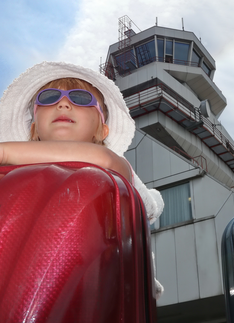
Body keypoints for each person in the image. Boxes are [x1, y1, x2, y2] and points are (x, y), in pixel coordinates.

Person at [0, 61, 164, 298]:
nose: (63, 103)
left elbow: (103, 159)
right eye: (48, 98)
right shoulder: (13, 175)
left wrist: (5, 153)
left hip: (93, 282)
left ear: (102, 131)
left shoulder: (113, 164)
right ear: (34, 129)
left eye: (80, 98)